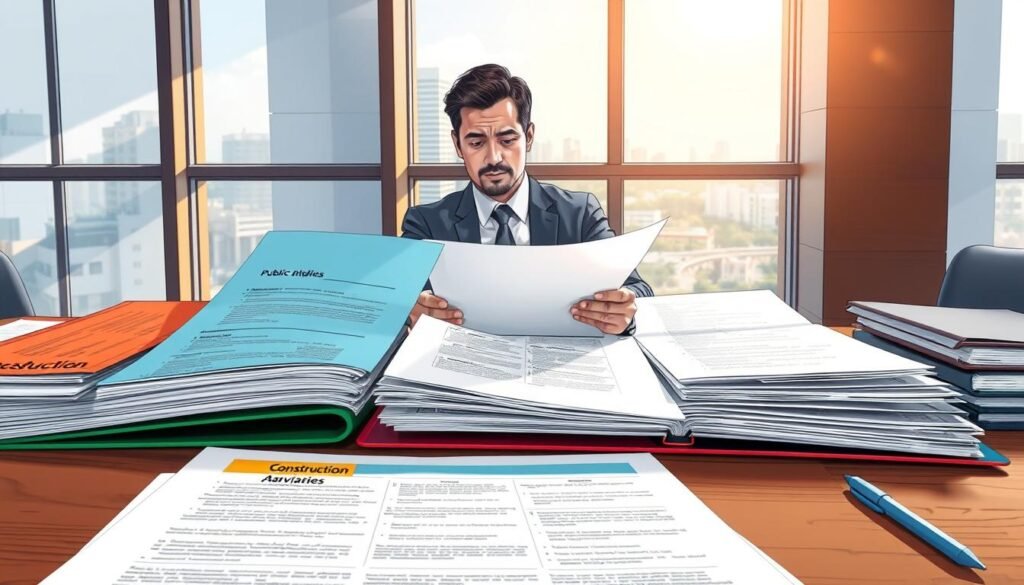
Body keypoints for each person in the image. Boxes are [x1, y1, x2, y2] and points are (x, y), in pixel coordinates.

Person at [401, 64, 653, 335]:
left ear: (529, 136)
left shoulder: (578, 213)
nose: (494, 157)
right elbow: (391, 301)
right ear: (457, 145)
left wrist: (625, 309)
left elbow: (639, 289)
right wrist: (409, 312)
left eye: (507, 140)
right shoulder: (426, 224)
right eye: (476, 143)